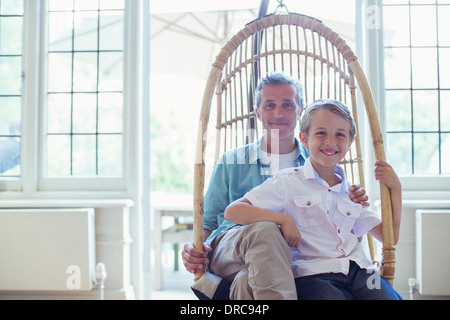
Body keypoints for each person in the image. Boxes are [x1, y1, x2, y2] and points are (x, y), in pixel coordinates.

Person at [183, 72, 369, 300]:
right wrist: (194, 247)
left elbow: (339, 223)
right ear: (258, 112)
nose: (278, 113)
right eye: (269, 105)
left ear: (301, 111)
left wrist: (356, 200)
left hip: (291, 261)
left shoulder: (321, 162)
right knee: (266, 229)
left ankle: (227, 294)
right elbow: (209, 222)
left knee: (246, 281)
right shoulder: (231, 161)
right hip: (230, 250)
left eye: (287, 105)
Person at [225, 99, 402, 300]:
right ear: (304, 139)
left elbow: (389, 238)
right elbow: (233, 211)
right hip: (313, 274)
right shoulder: (287, 182)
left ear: (350, 142)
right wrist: (283, 220)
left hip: (359, 270)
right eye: (321, 133)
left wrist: (396, 189)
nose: (330, 142)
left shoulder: (351, 192)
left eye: (340, 135)